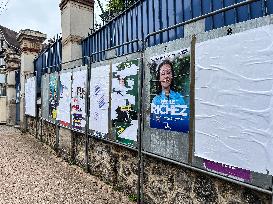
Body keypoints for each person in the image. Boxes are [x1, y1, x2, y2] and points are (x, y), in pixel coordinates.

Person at [150, 59, 189, 133]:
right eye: (163, 74)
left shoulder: (179, 98)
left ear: (172, 76)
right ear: (159, 78)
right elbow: (155, 125)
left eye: (168, 73)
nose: (166, 76)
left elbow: (184, 124)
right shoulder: (155, 100)